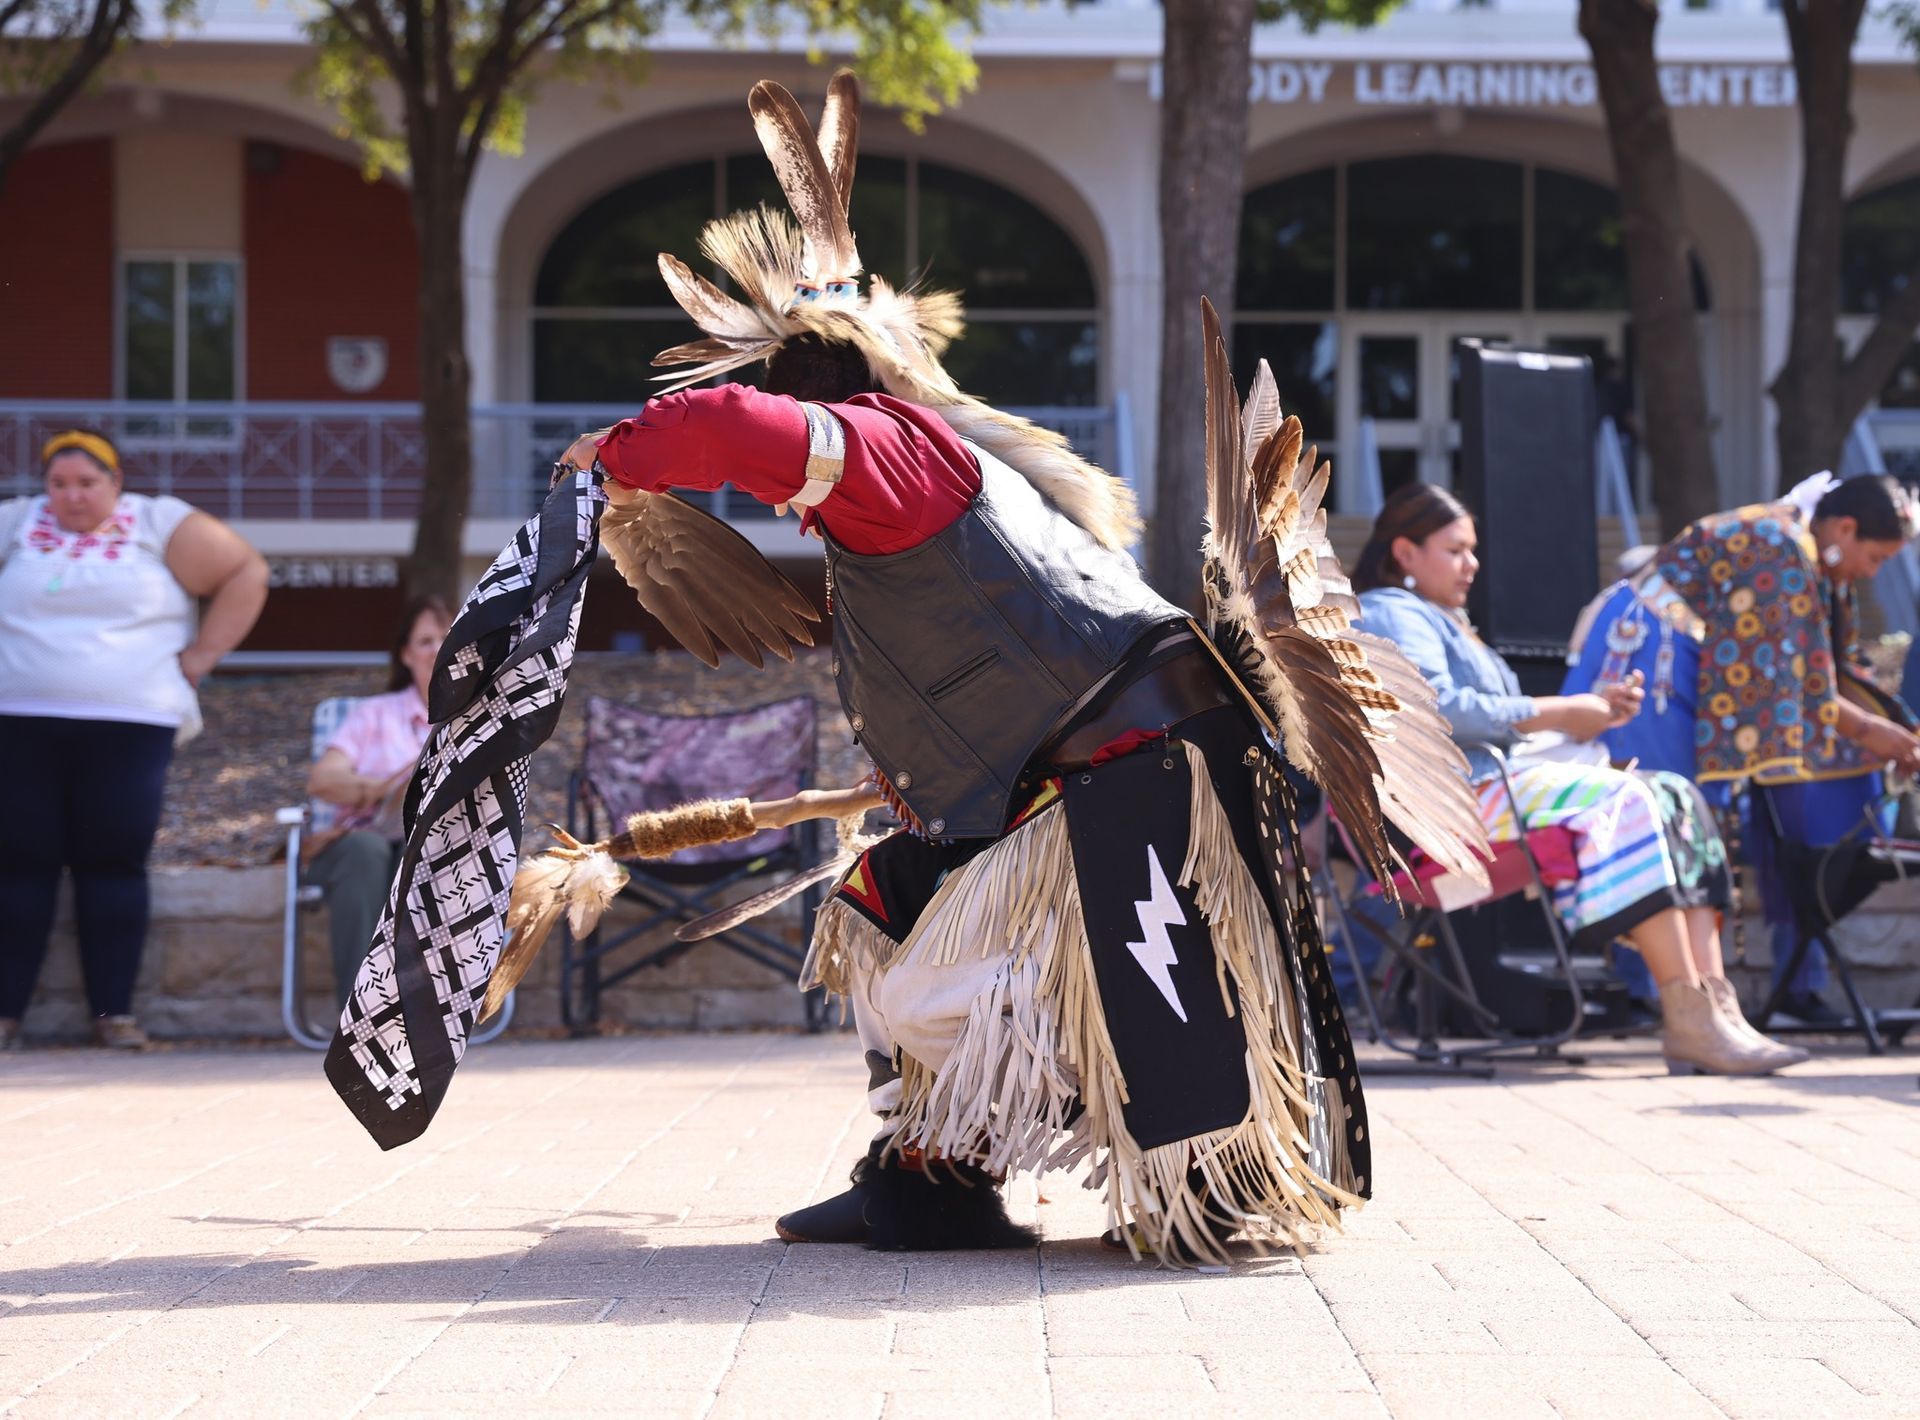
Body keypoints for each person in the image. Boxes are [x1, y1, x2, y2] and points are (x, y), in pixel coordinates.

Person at [531, 75, 1489, 1265]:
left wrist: (611, 453)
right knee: (886, 907)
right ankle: (931, 1178)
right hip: (1063, 780)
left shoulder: (891, 456)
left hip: (1135, 777)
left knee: (1090, 1015)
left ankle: (1217, 1183)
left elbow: (726, 432)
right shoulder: (899, 495)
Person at [1352, 482, 1804, 1075]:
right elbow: (1437, 706)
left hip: (1497, 789)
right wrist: (1564, 712)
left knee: (1680, 798)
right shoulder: (1392, 610)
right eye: (1456, 549)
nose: (1472, 563)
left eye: (1472, 549)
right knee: (1628, 797)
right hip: (1451, 810)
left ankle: (1714, 1012)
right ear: (1406, 552)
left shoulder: (1446, 620)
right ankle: (1687, 1015)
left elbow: (1504, 724)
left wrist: (1590, 716)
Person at [1562, 473, 1920, 1026]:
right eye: (1873, 558)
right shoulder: (1777, 548)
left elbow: (1806, 678)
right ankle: (1659, 995)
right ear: (1844, 529)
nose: (1871, 574)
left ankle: (1697, 1001)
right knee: (1661, 813)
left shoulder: (1803, 550)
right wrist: (1874, 732)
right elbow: (1786, 684)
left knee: (1689, 820)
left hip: (1682, 661)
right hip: (1651, 658)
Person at [0, 430, 267, 1050]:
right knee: (20, 861)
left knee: (114, 858)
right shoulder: (16, 523)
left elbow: (245, 571)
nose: (72, 497)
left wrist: (201, 656)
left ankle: (112, 1014)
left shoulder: (157, 522)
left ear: (116, 482)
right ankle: (6, 1014)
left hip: (131, 721)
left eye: (87, 484)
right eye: (59, 485)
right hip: (21, 717)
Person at [304, 597, 450, 1008]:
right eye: (425, 641)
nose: (437, 649)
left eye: (446, 639)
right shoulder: (373, 715)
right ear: (405, 655)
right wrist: (380, 790)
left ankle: (424, 1011)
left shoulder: (471, 721)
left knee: (422, 850)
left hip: (422, 845)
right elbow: (323, 779)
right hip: (358, 847)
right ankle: (361, 1010)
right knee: (367, 850)